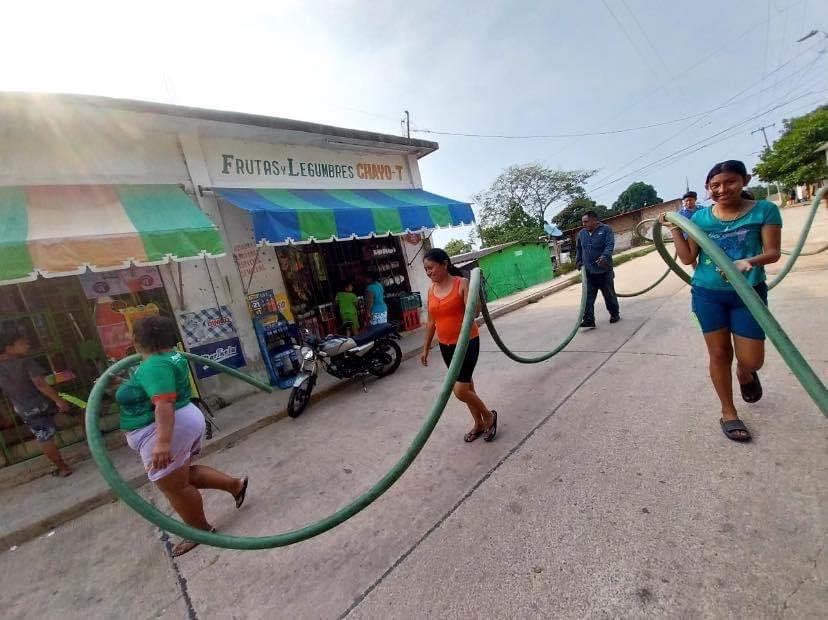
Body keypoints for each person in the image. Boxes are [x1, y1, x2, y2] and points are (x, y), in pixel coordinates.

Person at [662, 160, 782, 442]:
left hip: (748, 294)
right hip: (707, 294)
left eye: (730, 182)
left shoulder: (764, 210)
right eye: (715, 185)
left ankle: (745, 372)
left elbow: (773, 252)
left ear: (744, 180)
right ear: (707, 189)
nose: (722, 189)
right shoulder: (701, 219)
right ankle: (728, 412)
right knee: (718, 354)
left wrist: (748, 261)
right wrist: (676, 229)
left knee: (752, 360)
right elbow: (689, 259)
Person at [117, 316, 248, 556]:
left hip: (167, 427)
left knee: (174, 486)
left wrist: (162, 443)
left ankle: (200, 531)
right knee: (181, 476)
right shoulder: (170, 356)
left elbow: (164, 403)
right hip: (179, 420)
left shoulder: (154, 364)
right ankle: (235, 485)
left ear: (136, 339)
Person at [420, 248, 497, 443]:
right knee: (468, 386)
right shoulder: (431, 290)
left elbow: (476, 312)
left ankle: (489, 417)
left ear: (444, 264)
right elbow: (431, 322)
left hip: (467, 342)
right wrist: (426, 347)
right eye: (426, 270)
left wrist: (474, 294)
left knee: (460, 390)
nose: (429, 273)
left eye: (431, 268)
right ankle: (478, 424)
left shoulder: (461, 283)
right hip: (446, 346)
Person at [0, 326, 73, 477]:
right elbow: (40, 384)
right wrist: (59, 401)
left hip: (24, 409)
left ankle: (62, 467)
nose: (27, 345)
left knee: (43, 437)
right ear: (9, 348)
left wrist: (5, 414)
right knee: (79, 413)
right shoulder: (25, 362)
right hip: (44, 402)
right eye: (22, 343)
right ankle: (93, 443)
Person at [575, 210, 621, 328]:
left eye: (586, 222)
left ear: (595, 220)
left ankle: (614, 314)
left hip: (604, 270)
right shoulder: (581, 234)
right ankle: (589, 319)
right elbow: (579, 249)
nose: (583, 224)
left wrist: (605, 256)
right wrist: (579, 262)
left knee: (609, 294)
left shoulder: (606, 230)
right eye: (582, 222)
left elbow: (609, 245)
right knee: (588, 297)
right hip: (589, 272)